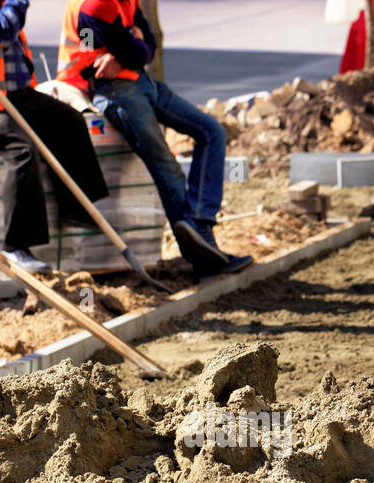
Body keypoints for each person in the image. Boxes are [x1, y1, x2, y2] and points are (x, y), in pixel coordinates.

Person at [57, 0, 253, 276]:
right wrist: (131, 47)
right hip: (109, 88)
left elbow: (147, 46)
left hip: (139, 81)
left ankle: (200, 221)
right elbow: (119, 53)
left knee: (212, 132)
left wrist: (130, 49)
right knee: (166, 167)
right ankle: (203, 256)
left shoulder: (126, 1)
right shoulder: (93, 6)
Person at [0, 0, 109, 273]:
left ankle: (79, 209)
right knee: (22, 150)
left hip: (11, 94)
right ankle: (16, 246)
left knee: (69, 121)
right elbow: (1, 28)